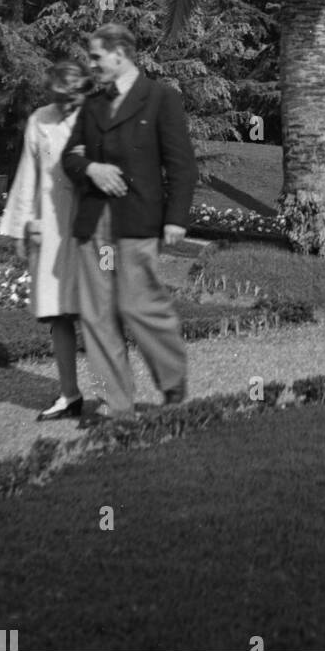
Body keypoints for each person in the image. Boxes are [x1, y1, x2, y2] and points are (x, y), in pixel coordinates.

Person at [61, 23, 197, 418]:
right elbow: (69, 157)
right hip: (95, 227)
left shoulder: (160, 99)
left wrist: (176, 219)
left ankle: (172, 379)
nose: (91, 65)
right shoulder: (93, 105)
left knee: (140, 305)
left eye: (96, 57)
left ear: (120, 55)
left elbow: (182, 166)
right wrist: (91, 169)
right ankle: (115, 403)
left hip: (137, 220)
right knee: (97, 317)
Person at [0, 58, 88, 421]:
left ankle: (115, 395)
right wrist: (23, 225)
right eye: (61, 99)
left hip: (90, 225)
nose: (67, 106)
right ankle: (69, 395)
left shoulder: (98, 118)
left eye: (73, 98)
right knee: (58, 313)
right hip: (49, 226)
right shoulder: (40, 120)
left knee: (98, 313)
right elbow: (28, 174)